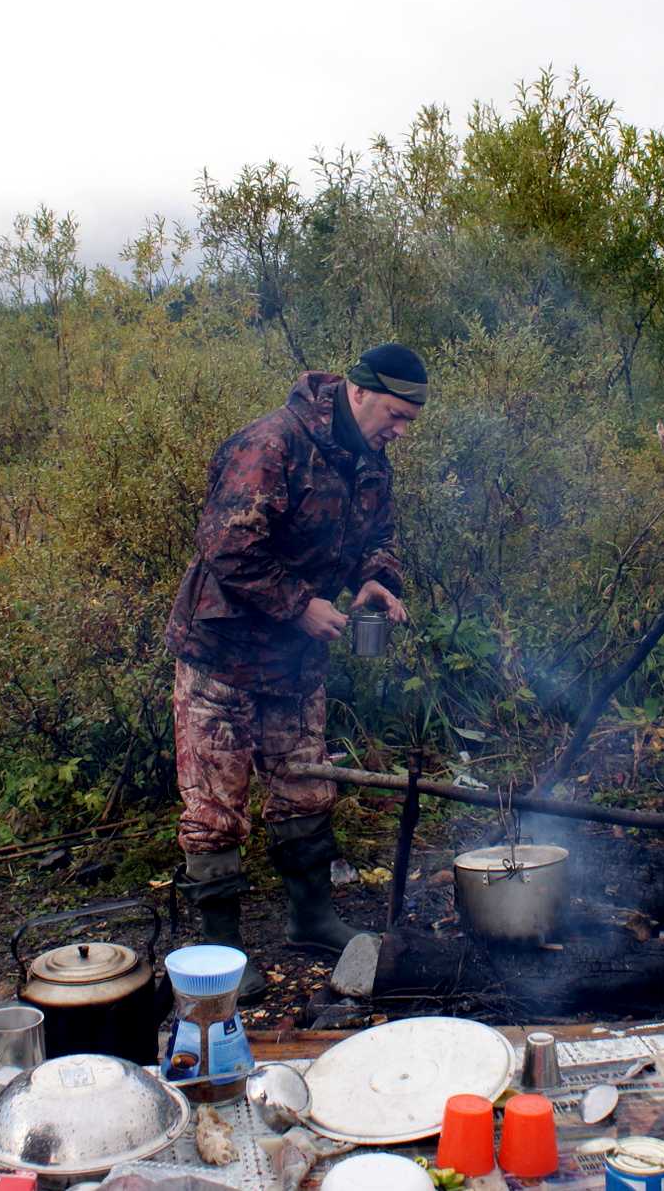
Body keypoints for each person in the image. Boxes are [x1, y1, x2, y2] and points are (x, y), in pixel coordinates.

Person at [165, 342, 425, 998]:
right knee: (215, 808)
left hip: (294, 659)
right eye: (393, 415)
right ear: (358, 392)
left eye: (408, 423)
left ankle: (310, 916)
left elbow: (380, 536)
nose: (398, 431)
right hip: (221, 652)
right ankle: (222, 950)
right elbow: (226, 545)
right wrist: (299, 604)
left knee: (306, 787)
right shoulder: (272, 445)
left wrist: (376, 579)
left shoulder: (371, 460)